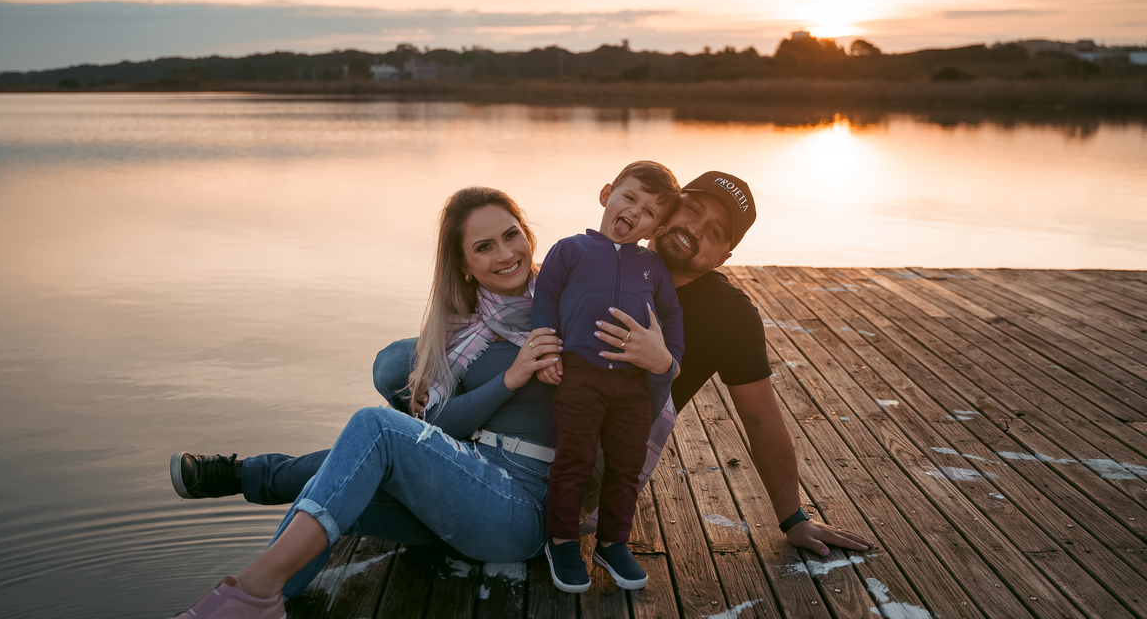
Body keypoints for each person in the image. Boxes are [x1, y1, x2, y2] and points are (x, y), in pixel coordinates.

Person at [172, 170, 873, 586]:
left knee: (387, 437)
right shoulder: (608, 255)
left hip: (583, 454)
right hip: (534, 405)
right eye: (689, 209)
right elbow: (527, 293)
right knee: (396, 367)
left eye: (717, 230)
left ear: (727, 253)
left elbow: (762, 419)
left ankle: (298, 474)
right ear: (665, 207)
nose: (695, 228)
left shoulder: (725, 314)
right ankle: (428, 445)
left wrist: (793, 518)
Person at [168, 187, 563, 619]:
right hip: (468, 479)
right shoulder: (462, 331)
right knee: (338, 489)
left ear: (528, 234)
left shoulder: (569, 303)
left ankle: (253, 559)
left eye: (511, 235)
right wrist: (509, 379)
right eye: (484, 247)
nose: (505, 254)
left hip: (522, 509)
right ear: (464, 266)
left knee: (378, 428)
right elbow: (444, 424)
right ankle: (263, 603)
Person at [534, 161, 684, 593]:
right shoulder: (570, 250)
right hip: (580, 376)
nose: (635, 212)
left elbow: (672, 314)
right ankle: (562, 541)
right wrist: (547, 351)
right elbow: (545, 298)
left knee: (626, 465)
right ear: (607, 195)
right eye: (630, 197)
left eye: (650, 211)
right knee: (574, 458)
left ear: (656, 228)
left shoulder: (653, 266)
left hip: (633, 385)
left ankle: (613, 542)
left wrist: (670, 358)